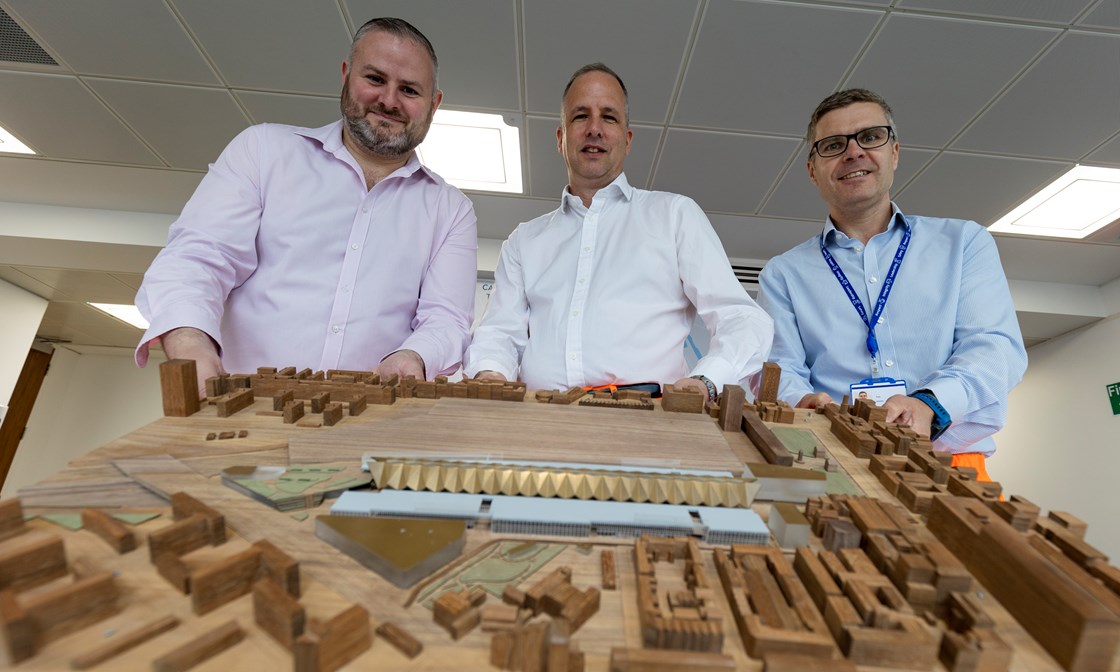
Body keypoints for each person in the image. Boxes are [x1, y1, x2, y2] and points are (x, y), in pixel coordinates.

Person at [134, 18, 477, 392]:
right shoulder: (264, 150)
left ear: (434, 104)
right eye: (375, 79)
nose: (389, 100)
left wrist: (415, 356)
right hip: (242, 408)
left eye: (409, 90)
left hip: (375, 424)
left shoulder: (451, 209)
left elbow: (447, 319)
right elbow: (198, 258)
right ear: (346, 75)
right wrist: (191, 341)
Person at [757, 88, 1026, 478]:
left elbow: (996, 349)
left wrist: (928, 405)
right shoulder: (783, 273)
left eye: (869, 137)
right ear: (813, 171)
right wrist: (802, 401)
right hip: (832, 464)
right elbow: (778, 368)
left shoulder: (964, 243)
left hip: (950, 464)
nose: (853, 153)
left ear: (894, 153)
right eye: (833, 145)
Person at [464, 63, 772, 401]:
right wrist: (491, 371)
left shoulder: (674, 216)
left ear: (627, 140)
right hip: (542, 425)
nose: (594, 129)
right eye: (580, 116)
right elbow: (499, 332)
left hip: (650, 426)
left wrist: (706, 381)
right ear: (560, 138)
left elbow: (742, 318)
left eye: (609, 117)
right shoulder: (524, 241)